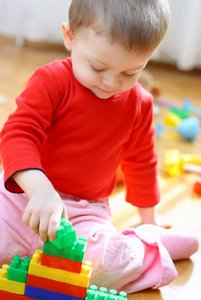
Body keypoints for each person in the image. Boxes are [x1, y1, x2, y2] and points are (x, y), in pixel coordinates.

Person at [0, 0, 199, 293]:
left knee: (107, 263)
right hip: (23, 198)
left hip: (85, 212)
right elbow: (18, 134)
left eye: (130, 73)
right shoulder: (52, 80)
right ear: (69, 37)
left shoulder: (139, 104)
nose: (111, 82)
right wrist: (41, 192)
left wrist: (150, 221)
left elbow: (141, 162)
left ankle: (149, 243)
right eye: (98, 66)